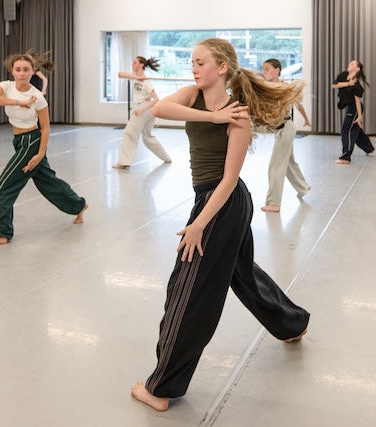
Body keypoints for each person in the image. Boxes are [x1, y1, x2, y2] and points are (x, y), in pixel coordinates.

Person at [130, 38, 310, 412]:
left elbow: (228, 181)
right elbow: (160, 108)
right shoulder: (193, 95)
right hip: (212, 199)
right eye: (193, 62)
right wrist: (212, 117)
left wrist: (199, 224)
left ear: (222, 68)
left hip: (223, 203)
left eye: (201, 62)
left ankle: (161, 388)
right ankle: (292, 323)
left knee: (188, 290)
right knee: (242, 273)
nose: (194, 68)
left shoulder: (238, 114)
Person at [0, 52, 87, 244]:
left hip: (30, 142)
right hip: (18, 141)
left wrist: (40, 154)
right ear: (12, 71)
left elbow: (45, 128)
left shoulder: (37, 96)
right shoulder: (5, 86)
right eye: (18, 69)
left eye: (26, 69)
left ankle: (0, 233)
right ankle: (78, 205)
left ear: (33, 71)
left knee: (5, 187)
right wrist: (18, 102)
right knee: (47, 181)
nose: (22, 73)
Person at [260, 58, 311, 213]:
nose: (265, 72)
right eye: (264, 69)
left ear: (277, 70)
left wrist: (306, 119)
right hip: (280, 129)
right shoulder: (268, 87)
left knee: (275, 166)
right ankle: (303, 187)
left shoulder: (284, 88)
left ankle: (274, 203)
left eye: (267, 69)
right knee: (289, 162)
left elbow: (298, 104)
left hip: (286, 128)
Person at [112, 56, 172, 169]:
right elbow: (120, 74)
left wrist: (141, 110)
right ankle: (167, 158)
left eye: (134, 63)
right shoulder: (134, 76)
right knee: (147, 136)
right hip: (145, 108)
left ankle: (123, 162)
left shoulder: (146, 81)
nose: (132, 64)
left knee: (129, 133)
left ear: (141, 65)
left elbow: (156, 99)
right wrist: (136, 76)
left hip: (145, 107)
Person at [331, 59, 374, 164]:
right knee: (355, 130)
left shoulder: (356, 85)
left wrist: (359, 116)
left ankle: (345, 157)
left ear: (357, 69)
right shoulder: (343, 75)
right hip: (349, 107)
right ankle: (369, 148)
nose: (350, 64)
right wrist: (348, 83)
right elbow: (334, 85)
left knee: (346, 130)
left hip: (355, 108)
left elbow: (357, 101)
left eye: (353, 64)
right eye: (351, 63)